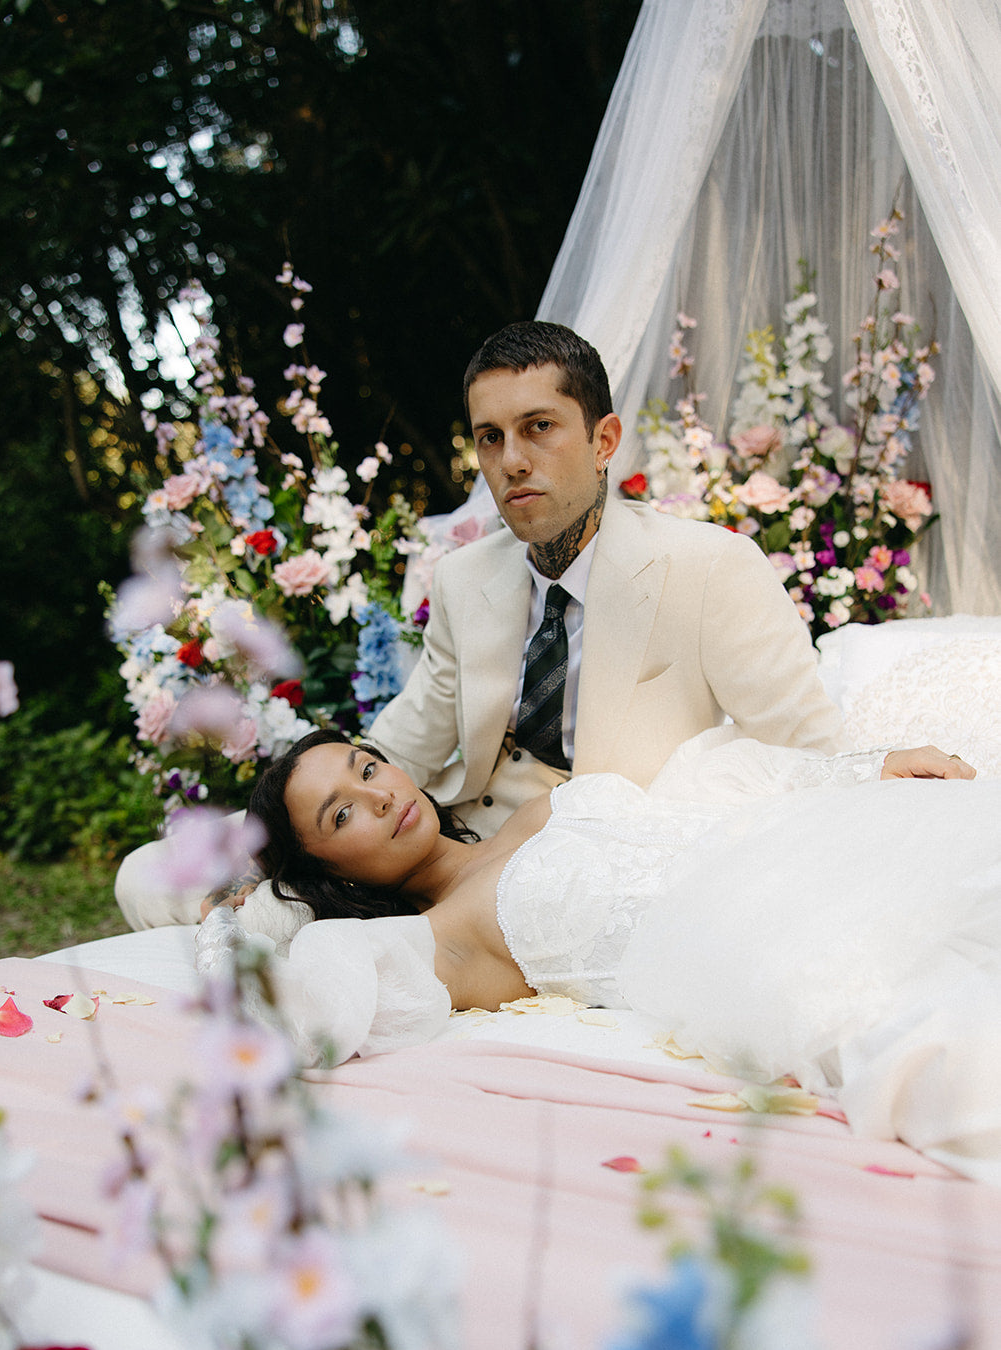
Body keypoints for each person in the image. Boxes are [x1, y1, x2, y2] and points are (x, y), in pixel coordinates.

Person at [117, 321, 841, 931]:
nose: (512, 461)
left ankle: (293, 934)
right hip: (444, 848)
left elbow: (805, 745)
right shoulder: (465, 578)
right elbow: (413, 734)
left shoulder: (710, 567)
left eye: (539, 429)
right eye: (489, 438)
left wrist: (869, 773)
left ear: (603, 438)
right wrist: (264, 851)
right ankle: (277, 912)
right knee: (147, 873)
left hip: (587, 865)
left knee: (273, 926)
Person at [197, 727, 1001, 1167]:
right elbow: (306, 1013)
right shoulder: (434, 941)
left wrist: (867, 769)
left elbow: (712, 799)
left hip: (814, 842)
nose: (379, 794)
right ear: (324, 873)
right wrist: (229, 916)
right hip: (762, 934)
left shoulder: (538, 805)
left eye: (366, 766)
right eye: (341, 815)